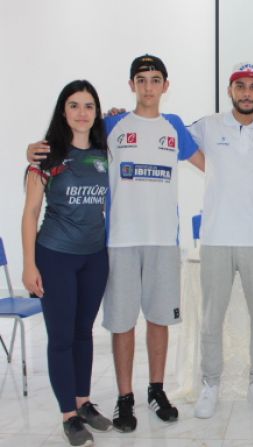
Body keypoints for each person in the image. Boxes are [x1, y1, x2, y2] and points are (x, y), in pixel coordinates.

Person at [27, 54, 204, 433]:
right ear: (132, 84)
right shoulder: (110, 125)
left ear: (166, 86)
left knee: (159, 320)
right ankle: (125, 398)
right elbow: (65, 142)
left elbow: (213, 164)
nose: (148, 86)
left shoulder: (175, 127)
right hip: (119, 243)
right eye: (141, 79)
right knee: (122, 324)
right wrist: (32, 151)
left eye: (156, 79)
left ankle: (156, 390)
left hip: (163, 242)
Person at [188, 62, 253, 419]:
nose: (246, 93)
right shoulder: (208, 126)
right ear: (230, 91)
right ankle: (210, 384)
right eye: (240, 86)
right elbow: (170, 138)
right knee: (212, 318)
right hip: (215, 238)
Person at [22, 80, 112, 446]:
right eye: (73, 105)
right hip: (56, 257)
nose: (81, 112)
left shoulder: (105, 153)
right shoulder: (46, 156)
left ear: (96, 112)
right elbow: (30, 213)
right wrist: (29, 265)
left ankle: (83, 401)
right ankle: (68, 416)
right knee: (61, 338)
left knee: (83, 333)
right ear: (63, 111)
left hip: (94, 258)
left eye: (88, 105)